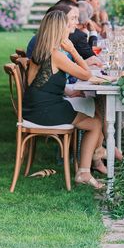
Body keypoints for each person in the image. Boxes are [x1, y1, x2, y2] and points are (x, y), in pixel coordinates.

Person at [22, 10, 104, 189]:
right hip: (47, 111)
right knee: (96, 123)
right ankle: (84, 172)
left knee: (88, 112)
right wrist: (73, 51)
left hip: (32, 109)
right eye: (67, 27)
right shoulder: (57, 55)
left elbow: (31, 83)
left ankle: (95, 159)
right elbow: (86, 74)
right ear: (59, 30)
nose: (70, 31)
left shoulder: (39, 51)